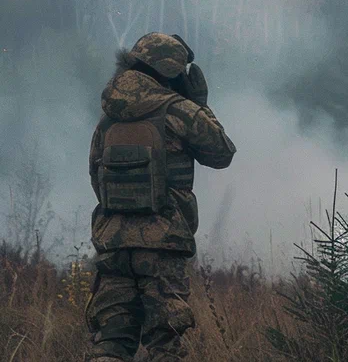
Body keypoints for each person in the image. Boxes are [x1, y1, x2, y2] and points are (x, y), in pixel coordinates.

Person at [85, 33, 236, 362]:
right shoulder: (179, 111)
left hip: (113, 247)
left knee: (110, 342)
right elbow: (222, 153)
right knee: (165, 345)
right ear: (172, 71)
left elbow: (96, 176)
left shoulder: (109, 117)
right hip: (163, 247)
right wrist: (201, 104)